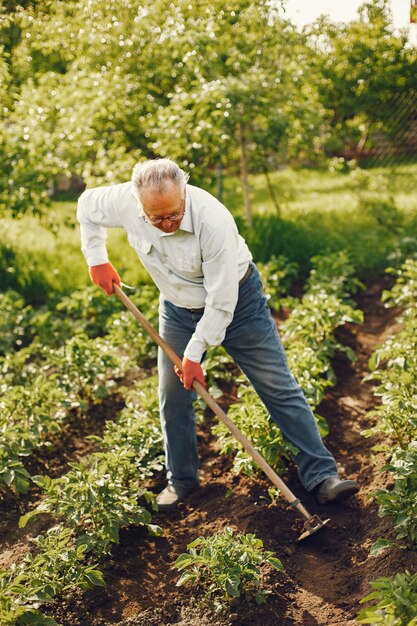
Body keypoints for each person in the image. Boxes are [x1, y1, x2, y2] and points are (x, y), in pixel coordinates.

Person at [77, 158, 359, 511]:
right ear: (137, 204)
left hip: (239, 305)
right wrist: (97, 259)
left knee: (277, 385)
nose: (166, 224)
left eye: (173, 215)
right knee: (171, 393)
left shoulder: (213, 220)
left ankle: (322, 476)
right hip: (178, 309)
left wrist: (194, 355)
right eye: (156, 218)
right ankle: (181, 480)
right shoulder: (124, 202)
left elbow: (222, 301)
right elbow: (86, 205)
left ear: (184, 194)